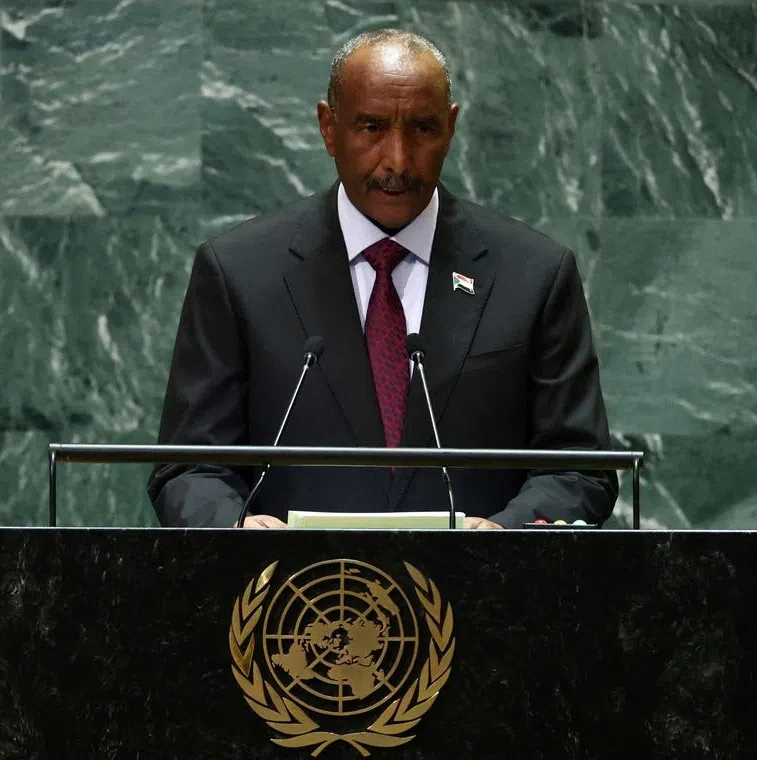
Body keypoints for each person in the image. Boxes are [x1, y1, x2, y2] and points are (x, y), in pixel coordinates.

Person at [147, 29, 617, 529]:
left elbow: (579, 466)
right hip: (294, 599)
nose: (397, 159)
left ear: (451, 127)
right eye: (371, 127)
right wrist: (239, 529)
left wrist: (508, 533)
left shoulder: (534, 275)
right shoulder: (239, 272)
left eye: (422, 129)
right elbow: (189, 467)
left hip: (484, 594)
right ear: (328, 128)